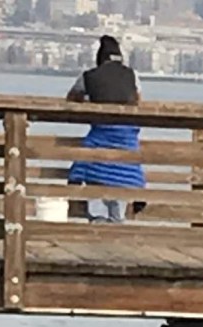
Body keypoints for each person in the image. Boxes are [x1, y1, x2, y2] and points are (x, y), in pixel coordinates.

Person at [66, 36, 145, 223]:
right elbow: (138, 101)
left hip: (100, 138)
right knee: (120, 183)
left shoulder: (88, 76)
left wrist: (89, 102)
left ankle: (97, 220)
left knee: (92, 165)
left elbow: (71, 99)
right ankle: (117, 220)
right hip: (126, 141)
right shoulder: (132, 75)